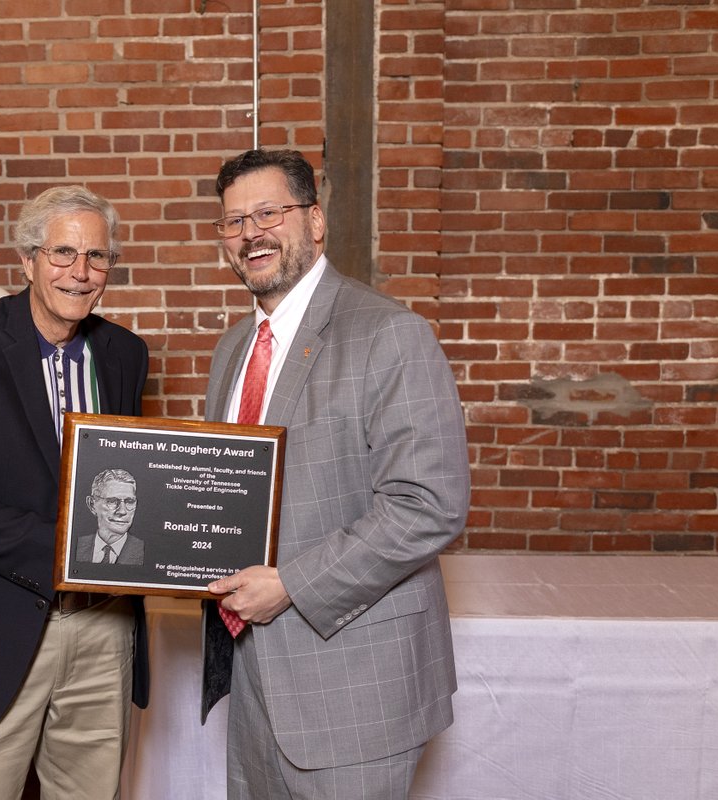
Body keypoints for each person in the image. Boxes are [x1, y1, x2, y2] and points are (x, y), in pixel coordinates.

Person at [201, 148, 471, 799]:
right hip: (254, 679)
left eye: (269, 212)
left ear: (315, 221)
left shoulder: (389, 334)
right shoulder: (234, 348)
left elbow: (429, 503)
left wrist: (291, 583)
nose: (250, 234)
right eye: (234, 222)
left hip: (351, 684)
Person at [0, 185, 150, 799]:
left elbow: (126, 480)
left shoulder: (124, 353)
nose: (81, 272)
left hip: (104, 630)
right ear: (27, 261)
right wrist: (68, 550)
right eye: (63, 253)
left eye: (97, 257)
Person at [76, 468, 145, 565]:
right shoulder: (74, 547)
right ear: (92, 504)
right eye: (112, 501)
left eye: (129, 502)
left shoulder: (145, 551)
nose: (122, 511)